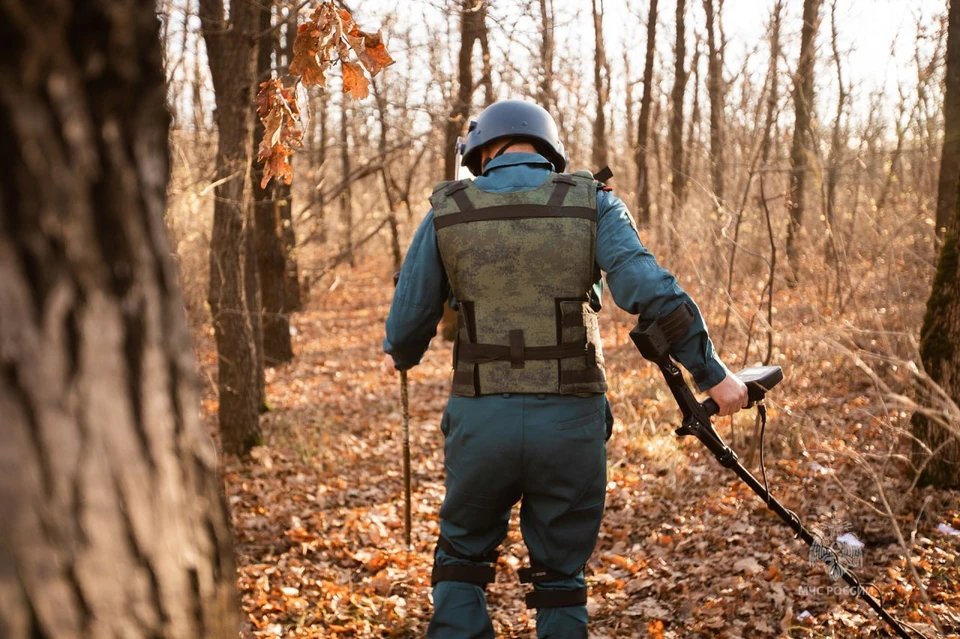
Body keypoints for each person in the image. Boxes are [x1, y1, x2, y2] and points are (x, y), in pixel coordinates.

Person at [383, 99, 747, 639]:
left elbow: (407, 325)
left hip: (481, 422)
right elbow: (650, 291)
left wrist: (404, 353)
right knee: (561, 577)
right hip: (572, 425)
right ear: (549, 149)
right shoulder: (593, 203)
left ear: (483, 151)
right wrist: (713, 374)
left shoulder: (447, 210)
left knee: (461, 560)